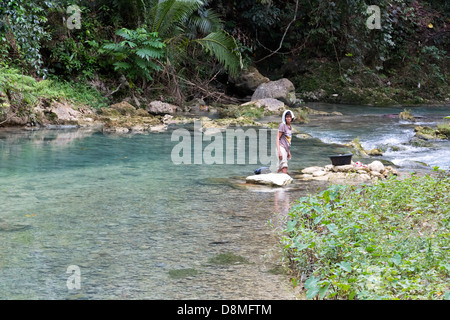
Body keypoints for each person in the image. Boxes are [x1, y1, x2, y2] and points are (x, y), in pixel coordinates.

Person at [276, 110, 294, 174]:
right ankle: (286, 182)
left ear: (292, 118)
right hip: (281, 147)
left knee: (279, 168)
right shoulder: (282, 125)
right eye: (287, 117)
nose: (288, 118)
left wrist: (288, 151)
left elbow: (287, 140)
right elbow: (277, 138)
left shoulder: (290, 127)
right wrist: (279, 151)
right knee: (284, 166)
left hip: (285, 149)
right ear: (284, 118)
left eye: (290, 117)